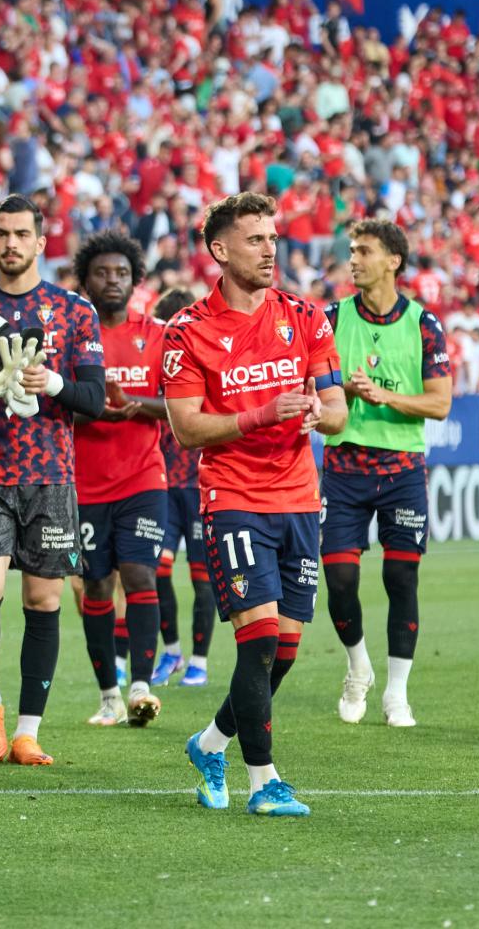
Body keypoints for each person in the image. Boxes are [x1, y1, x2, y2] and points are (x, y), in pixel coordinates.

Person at [167, 192, 347, 819]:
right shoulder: (188, 330)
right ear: (220, 250)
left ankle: (210, 742)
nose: (271, 248)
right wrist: (264, 413)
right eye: (255, 239)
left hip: (300, 497)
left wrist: (324, 415)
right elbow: (188, 428)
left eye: (273, 237)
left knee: (286, 650)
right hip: (234, 498)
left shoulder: (305, 315)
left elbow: (339, 410)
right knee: (261, 640)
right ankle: (264, 781)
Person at [0, 194, 106, 767]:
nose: (10, 244)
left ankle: (28, 731)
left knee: (43, 599)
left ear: (39, 241)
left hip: (52, 477)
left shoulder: (76, 311)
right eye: (1, 234)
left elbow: (96, 399)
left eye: (21, 234)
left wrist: (53, 383)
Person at [322, 220, 451, 728]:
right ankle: (359, 667)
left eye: (364, 251)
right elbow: (316, 391)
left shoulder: (424, 324)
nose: (353, 259)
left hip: (401, 468)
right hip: (345, 466)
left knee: (401, 576)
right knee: (338, 578)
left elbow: (439, 403)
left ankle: (397, 694)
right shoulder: (331, 318)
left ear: (393, 261)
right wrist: (345, 394)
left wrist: (383, 396)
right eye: (351, 250)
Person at [70, 230, 167, 728]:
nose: (113, 281)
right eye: (102, 273)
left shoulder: (158, 335)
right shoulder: (71, 334)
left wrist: (136, 407)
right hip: (84, 484)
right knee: (96, 587)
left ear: (136, 281)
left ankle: (142, 689)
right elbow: (57, 405)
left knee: (139, 575)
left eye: (122, 273)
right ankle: (108, 694)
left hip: (143, 478)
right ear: (85, 280)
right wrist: (95, 412)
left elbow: (180, 405)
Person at [149, 287, 214, 688]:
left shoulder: (205, 362)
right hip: (163, 484)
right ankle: (172, 651)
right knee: (158, 570)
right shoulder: (159, 367)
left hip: (200, 484)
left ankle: (200, 661)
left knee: (202, 578)